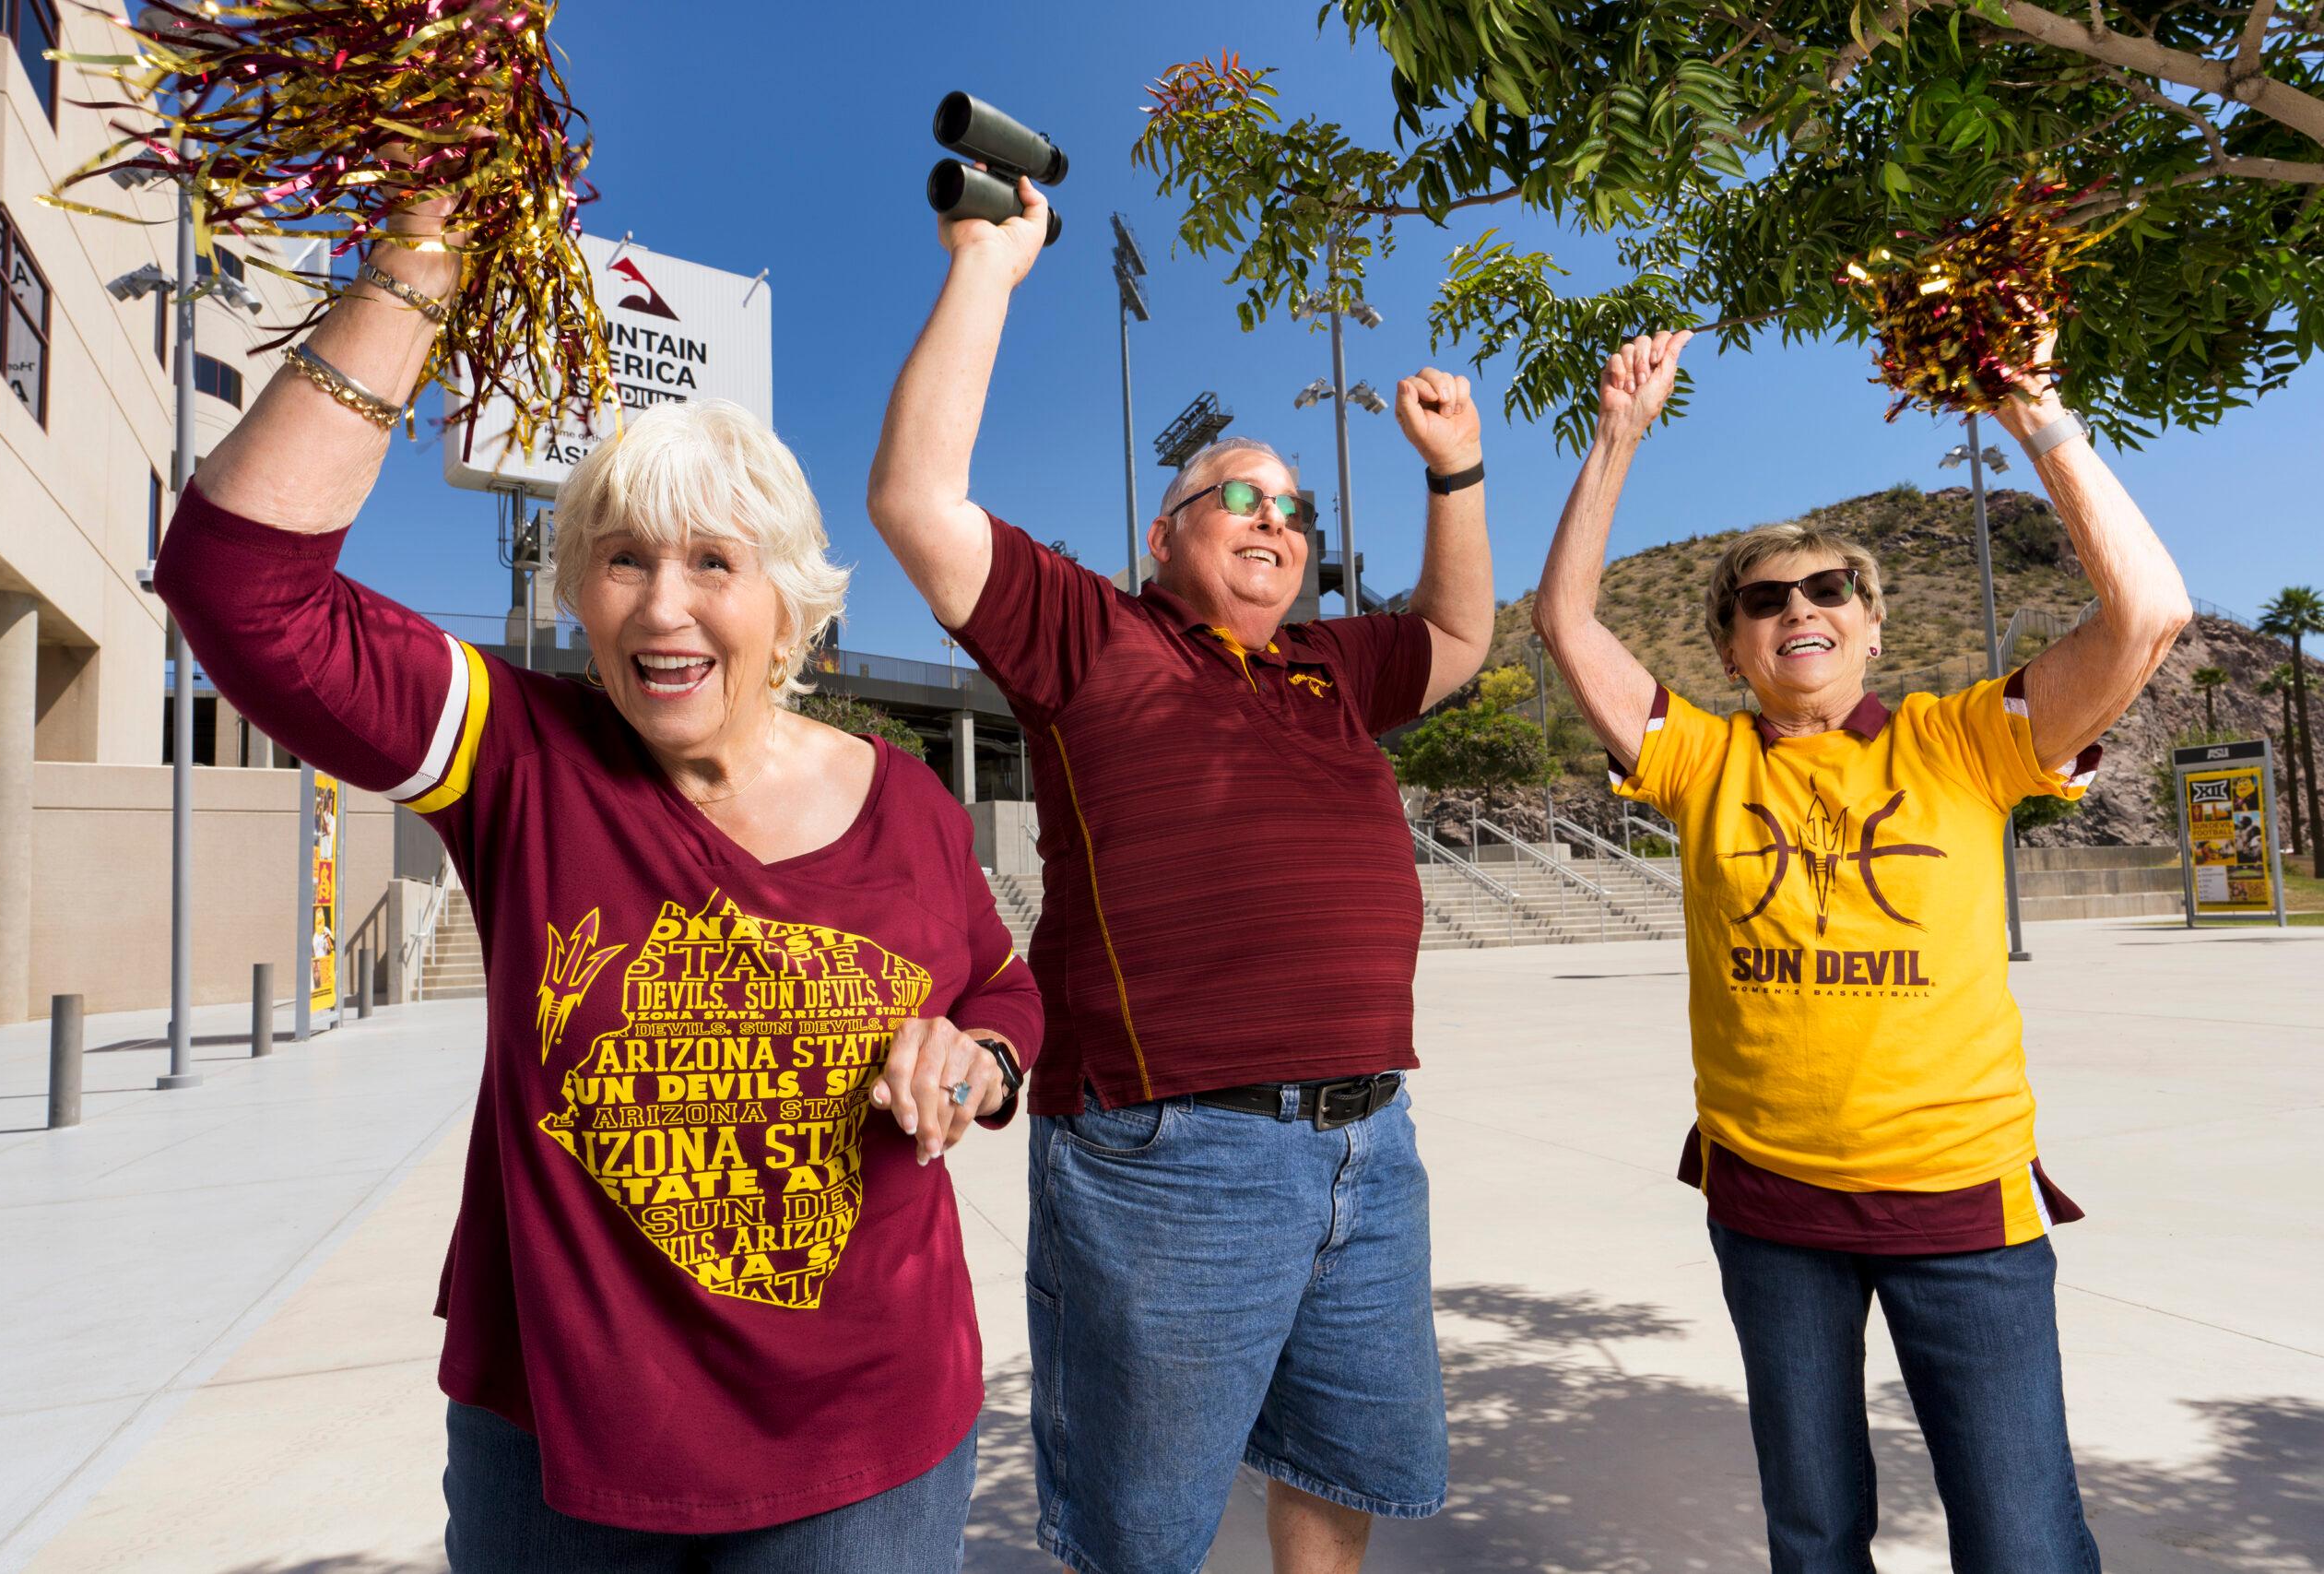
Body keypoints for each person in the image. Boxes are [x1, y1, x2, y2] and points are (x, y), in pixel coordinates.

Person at [153, 177, 1042, 1572]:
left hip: (867, 1447)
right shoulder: (520, 756)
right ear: (578, 589)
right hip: (557, 1448)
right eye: (621, 560)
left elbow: (1002, 981)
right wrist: (424, 250)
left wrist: (979, 1059)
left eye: (713, 562)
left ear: (791, 604)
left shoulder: (911, 801)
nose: (665, 605)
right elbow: (240, 590)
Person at [867, 176, 1493, 1574]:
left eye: (1295, 510)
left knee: (1339, 1465)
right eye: (1237, 499)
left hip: (1369, 1143)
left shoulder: (1334, 665)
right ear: (1167, 536)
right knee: (1138, 1531)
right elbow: (916, 501)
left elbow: (1459, 632)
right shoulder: (1091, 636)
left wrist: (1453, 470)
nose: (1274, 519)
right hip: (1170, 1158)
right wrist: (993, 263)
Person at [1535, 327, 2190, 1571]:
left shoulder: (1964, 743)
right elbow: (1566, 619)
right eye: (1764, 599)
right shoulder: (1700, 758)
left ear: (1875, 626)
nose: (1799, 608)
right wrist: (1619, 432)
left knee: (2023, 1538)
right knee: (1815, 1529)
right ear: (1731, 646)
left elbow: (2150, 612)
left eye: (1829, 588)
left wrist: (2034, 408)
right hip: (1772, 1211)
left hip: (1963, 1206)